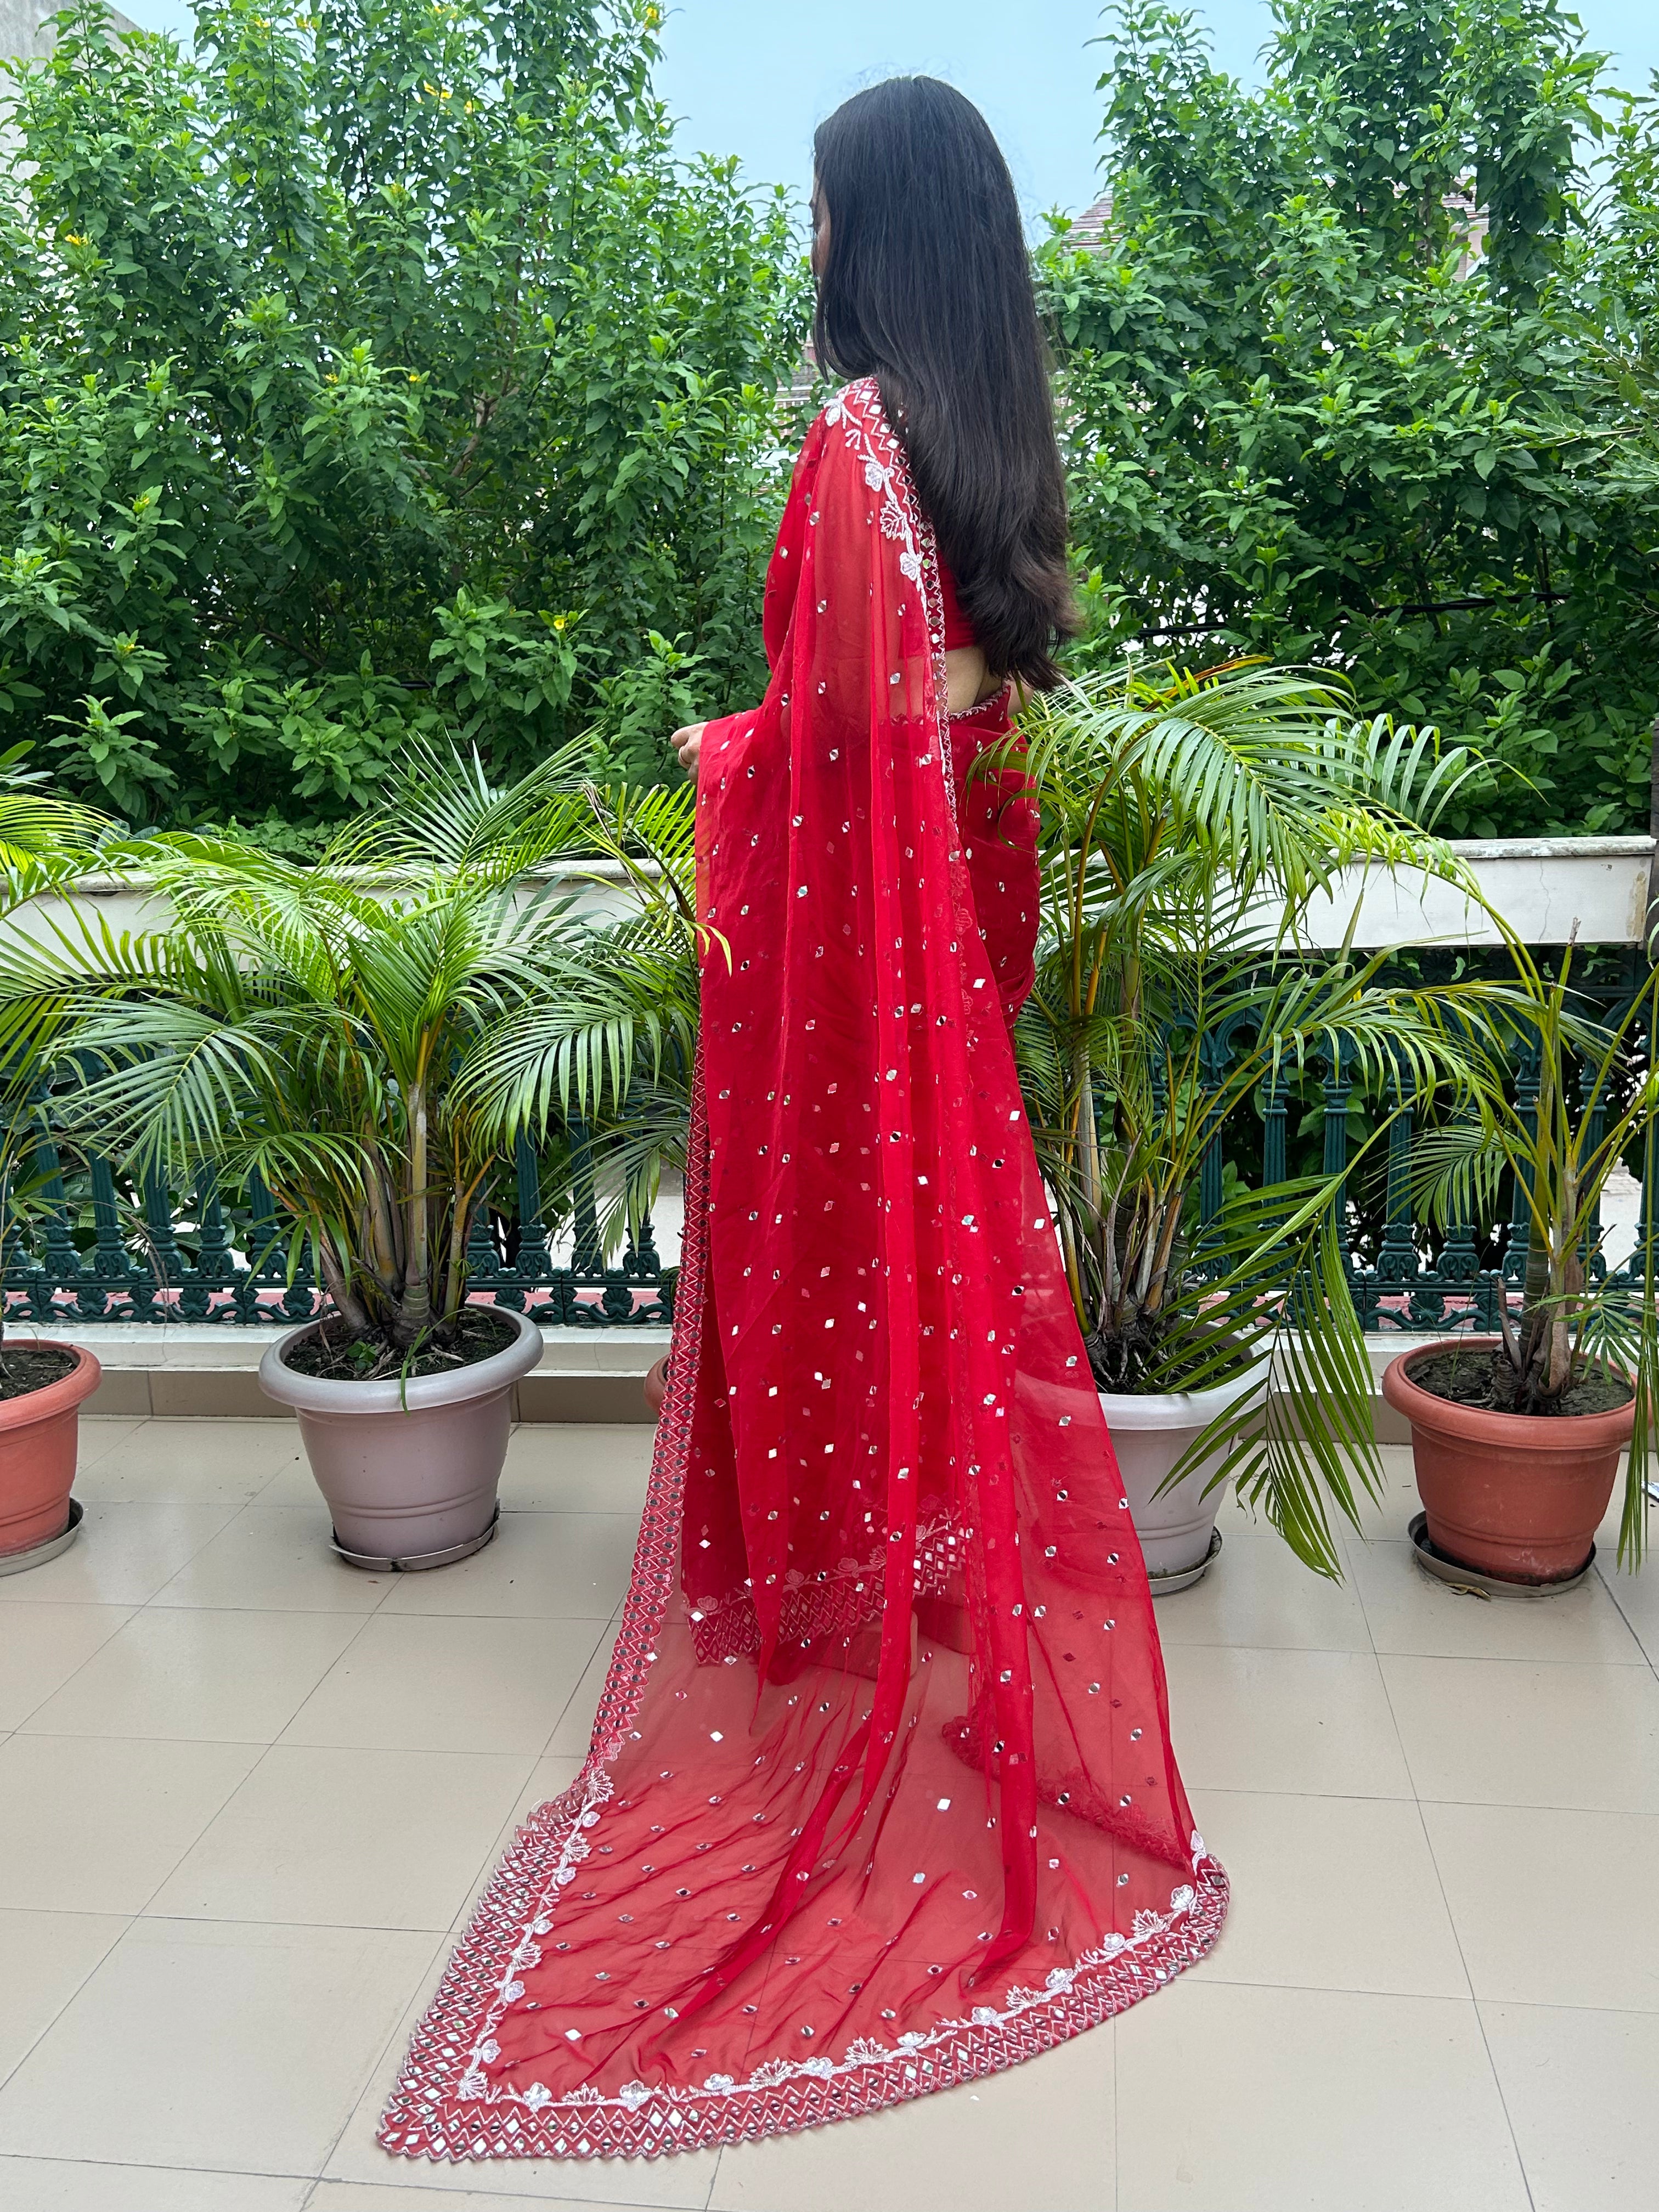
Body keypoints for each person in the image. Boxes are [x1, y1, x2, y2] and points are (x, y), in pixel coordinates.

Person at [381, 75, 1226, 2170]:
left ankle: (832, 1641)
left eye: (826, 209)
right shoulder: (975, 465)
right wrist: (829, 733)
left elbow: (853, 728)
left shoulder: (852, 456)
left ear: (879, 232)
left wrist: (726, 751)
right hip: (924, 994)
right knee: (891, 1293)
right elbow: (956, 718)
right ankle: (868, 1611)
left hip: (855, 1013)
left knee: (813, 1278)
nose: (812, 244)